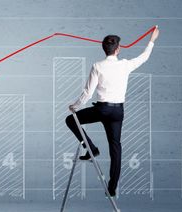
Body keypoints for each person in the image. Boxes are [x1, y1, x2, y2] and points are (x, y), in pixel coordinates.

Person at [65, 26, 159, 197]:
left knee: (71, 120)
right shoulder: (125, 65)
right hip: (117, 112)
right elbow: (144, 57)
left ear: (105, 49)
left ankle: (91, 147)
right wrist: (152, 40)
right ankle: (112, 186)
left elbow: (88, 92)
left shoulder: (97, 66)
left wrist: (75, 106)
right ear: (118, 49)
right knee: (115, 147)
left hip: (102, 109)